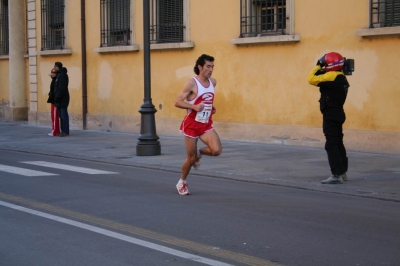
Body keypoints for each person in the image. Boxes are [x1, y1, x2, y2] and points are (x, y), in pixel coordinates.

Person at [174, 54, 222, 195]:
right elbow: (177, 102)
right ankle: (181, 182)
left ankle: (199, 153)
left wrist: (210, 107)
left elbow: (207, 99)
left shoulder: (213, 82)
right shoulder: (192, 83)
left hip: (206, 123)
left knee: (216, 150)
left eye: (212, 67)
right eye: (208, 66)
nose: (211, 69)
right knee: (190, 158)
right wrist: (194, 107)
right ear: (200, 67)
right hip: (192, 125)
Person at [307, 52, 350, 184]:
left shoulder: (331, 76)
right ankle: (342, 172)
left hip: (331, 114)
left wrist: (318, 64)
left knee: (331, 144)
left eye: (326, 63)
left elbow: (311, 78)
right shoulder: (341, 77)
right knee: (338, 142)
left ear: (330, 65)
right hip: (338, 112)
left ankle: (336, 175)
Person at [54, 62, 70, 137]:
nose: (54, 69)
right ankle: (63, 130)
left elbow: (62, 88)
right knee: (61, 115)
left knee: (63, 115)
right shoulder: (59, 75)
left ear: (57, 67)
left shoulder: (62, 75)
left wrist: (57, 96)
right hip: (61, 98)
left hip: (62, 99)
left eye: (55, 67)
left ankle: (65, 131)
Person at [47, 68, 60, 136]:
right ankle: (54, 130)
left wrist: (55, 98)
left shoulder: (56, 81)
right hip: (53, 100)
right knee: (53, 116)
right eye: (52, 72)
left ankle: (55, 131)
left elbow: (56, 91)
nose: (52, 74)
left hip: (55, 100)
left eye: (54, 73)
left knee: (55, 116)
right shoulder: (54, 80)